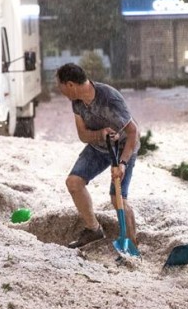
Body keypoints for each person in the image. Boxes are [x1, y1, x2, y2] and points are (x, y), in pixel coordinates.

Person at [56, 63, 140, 249]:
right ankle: (93, 229)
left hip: (124, 148)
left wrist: (123, 163)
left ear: (70, 84)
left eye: (60, 86)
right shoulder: (77, 102)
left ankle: (132, 244)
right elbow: (83, 135)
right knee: (74, 183)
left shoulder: (109, 98)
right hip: (98, 148)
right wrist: (101, 134)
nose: (60, 91)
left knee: (117, 198)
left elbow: (134, 133)